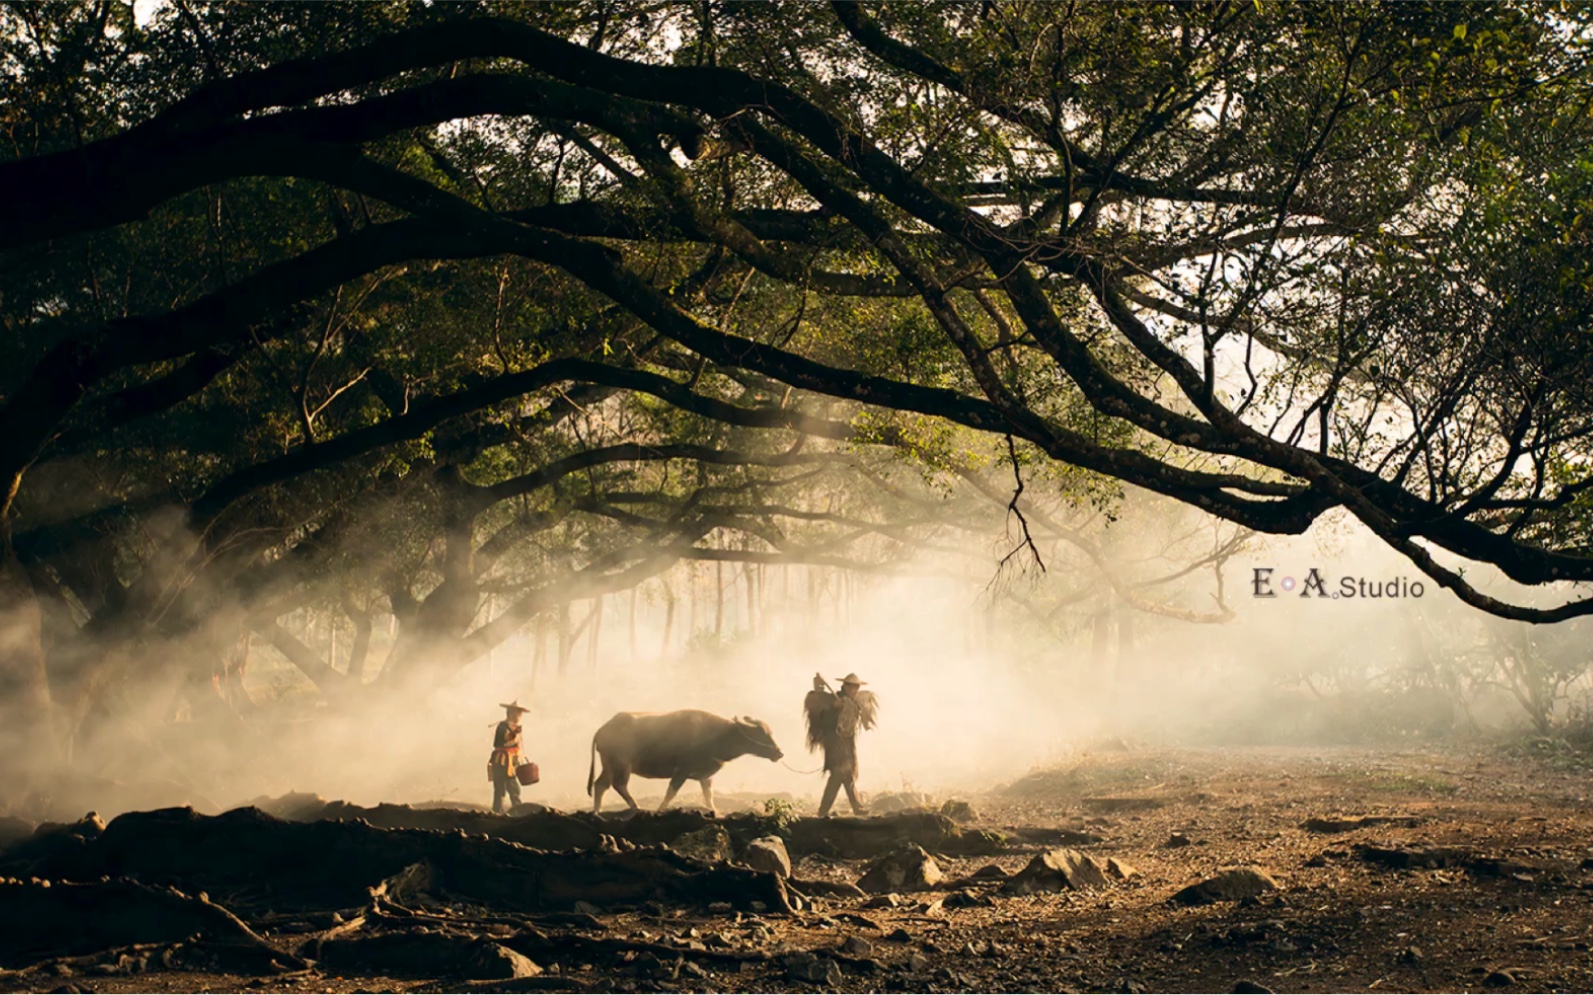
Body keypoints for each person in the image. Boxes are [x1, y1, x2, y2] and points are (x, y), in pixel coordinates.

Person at [803, 672, 878, 817]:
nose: (855, 690)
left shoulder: (854, 702)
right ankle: (827, 810)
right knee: (839, 774)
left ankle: (853, 808)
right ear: (846, 686)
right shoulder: (833, 700)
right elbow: (825, 721)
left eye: (857, 687)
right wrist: (834, 708)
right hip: (834, 744)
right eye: (852, 687)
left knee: (846, 775)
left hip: (847, 744)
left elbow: (855, 720)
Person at [489, 700, 529, 814]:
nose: (519, 716)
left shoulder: (512, 727)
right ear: (511, 713)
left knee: (514, 790)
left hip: (510, 764)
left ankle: (518, 813)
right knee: (500, 790)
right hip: (501, 762)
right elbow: (506, 740)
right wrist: (514, 733)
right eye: (518, 713)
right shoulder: (503, 726)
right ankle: (497, 813)